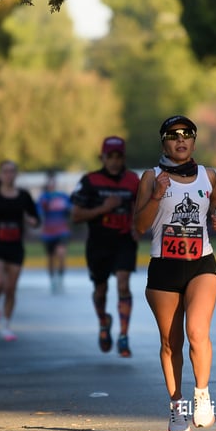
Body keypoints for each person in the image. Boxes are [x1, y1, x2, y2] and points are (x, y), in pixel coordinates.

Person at [134, 115, 216, 431]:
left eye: (187, 135)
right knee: (171, 343)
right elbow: (140, 225)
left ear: (194, 141)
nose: (181, 140)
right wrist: (157, 196)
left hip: (201, 263)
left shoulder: (208, 175)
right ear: (164, 142)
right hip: (164, 266)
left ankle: (202, 394)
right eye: (173, 136)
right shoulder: (151, 177)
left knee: (197, 331)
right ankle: (177, 406)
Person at [70, 136, 140, 358]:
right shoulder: (90, 181)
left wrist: (139, 227)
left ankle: (123, 336)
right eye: (110, 156)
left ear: (124, 158)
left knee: (123, 283)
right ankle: (103, 321)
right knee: (101, 290)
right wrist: (103, 208)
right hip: (99, 242)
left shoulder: (133, 180)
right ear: (102, 157)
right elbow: (76, 215)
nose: (114, 161)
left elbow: (144, 209)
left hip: (124, 240)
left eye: (118, 156)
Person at [0, 160, 40, 341]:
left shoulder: (24, 196)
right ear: (0, 174)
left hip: (15, 245)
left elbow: (35, 217)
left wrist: (33, 221)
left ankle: (6, 325)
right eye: (5, 171)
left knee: (10, 288)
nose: (9, 174)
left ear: (16, 174)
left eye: (12, 171)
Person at [37, 171, 73, 294]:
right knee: (51, 258)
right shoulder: (43, 197)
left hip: (62, 231)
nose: (51, 183)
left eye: (53, 181)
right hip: (48, 232)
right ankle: (52, 279)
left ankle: (61, 278)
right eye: (49, 181)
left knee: (61, 254)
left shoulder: (63, 196)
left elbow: (71, 210)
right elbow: (39, 214)